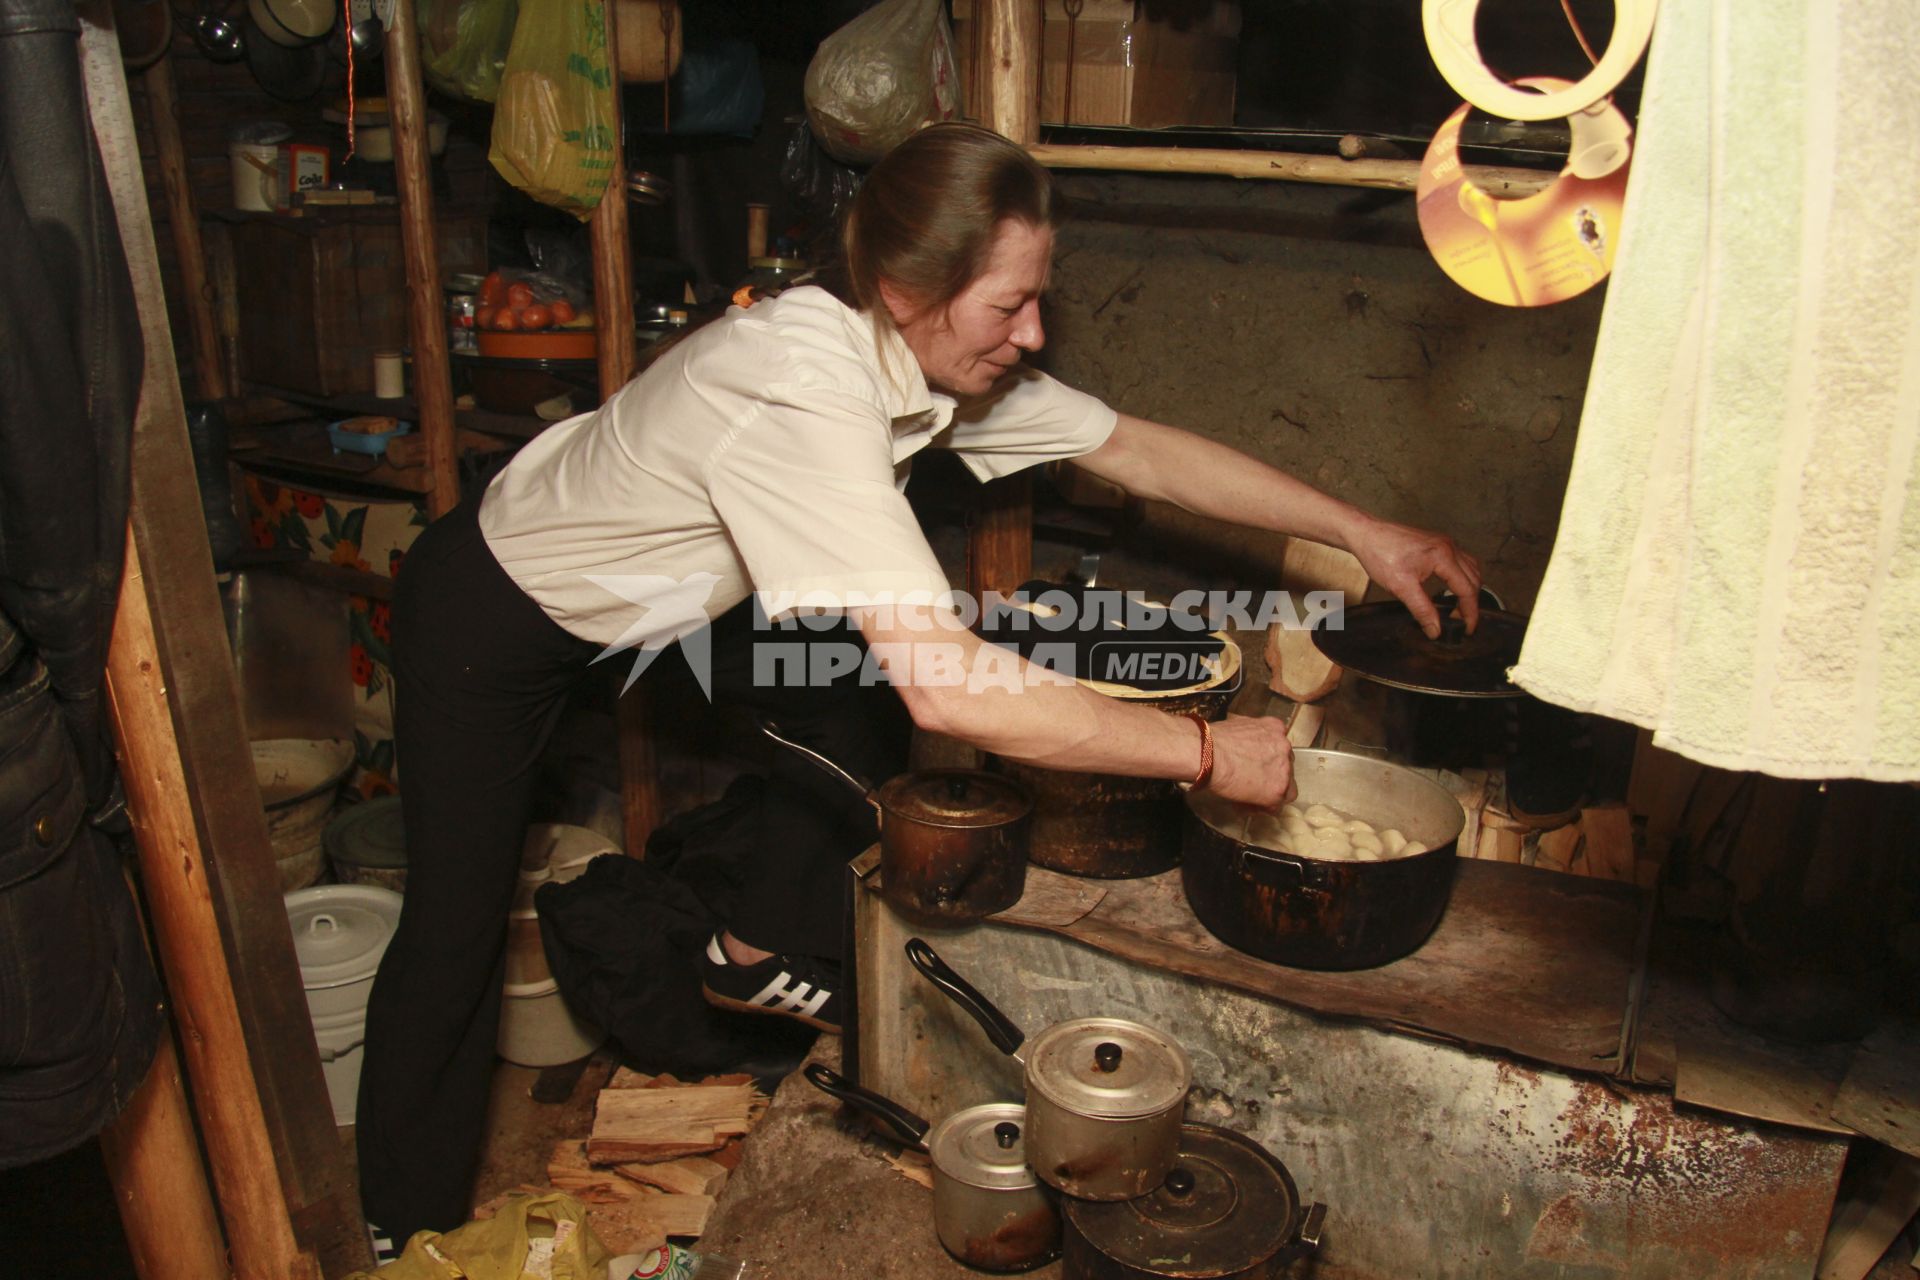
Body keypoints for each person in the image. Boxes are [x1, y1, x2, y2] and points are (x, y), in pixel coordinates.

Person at [354, 120, 1481, 1245]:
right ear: (904, 288)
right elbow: (951, 688)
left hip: (680, 593)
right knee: (452, 934)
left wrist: (1362, 529)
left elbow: (1137, 450)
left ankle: (745, 954)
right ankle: (398, 1233)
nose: (1034, 333)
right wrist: (1202, 752)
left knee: (861, 686)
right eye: (1010, 306)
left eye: (1039, 297)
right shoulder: (801, 386)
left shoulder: (939, 359)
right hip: (497, 610)